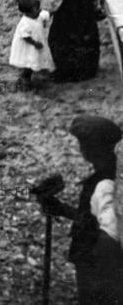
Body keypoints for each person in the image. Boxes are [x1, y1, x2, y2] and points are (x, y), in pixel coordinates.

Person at [36, 115, 123, 304]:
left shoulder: (105, 183)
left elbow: (108, 231)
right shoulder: (105, 174)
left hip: (96, 260)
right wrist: (61, 209)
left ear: (93, 148)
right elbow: (91, 219)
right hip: (93, 256)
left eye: (83, 144)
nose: (81, 148)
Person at [48, 0, 107, 82]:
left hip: (85, 18)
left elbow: (90, 3)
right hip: (69, 19)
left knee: (88, 44)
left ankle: (85, 71)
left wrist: (94, 13)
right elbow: (73, 6)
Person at [8, 0, 55, 89]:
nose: (39, 11)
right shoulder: (25, 23)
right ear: (28, 12)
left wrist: (56, 11)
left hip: (37, 43)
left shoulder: (39, 15)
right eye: (36, 10)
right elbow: (25, 36)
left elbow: (47, 14)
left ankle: (40, 71)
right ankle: (25, 77)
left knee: (38, 58)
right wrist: (34, 43)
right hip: (29, 47)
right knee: (29, 63)